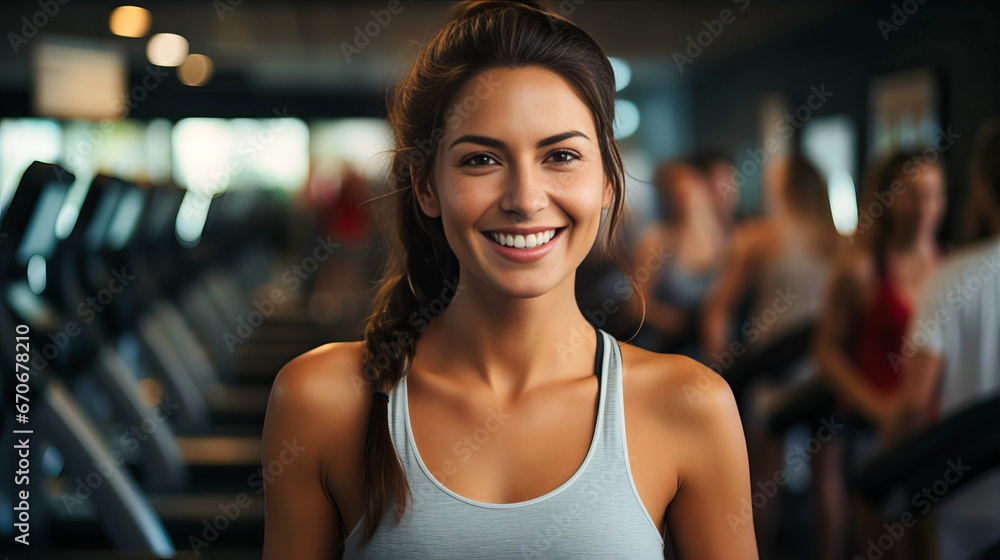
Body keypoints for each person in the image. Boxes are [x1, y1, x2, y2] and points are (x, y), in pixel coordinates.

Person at [261, 2, 758, 559]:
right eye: (481, 160)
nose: (525, 199)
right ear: (426, 186)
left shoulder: (691, 406)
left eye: (561, 155)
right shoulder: (321, 400)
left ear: (607, 182)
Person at [700, 153, 843, 560]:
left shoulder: (757, 236)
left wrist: (722, 366)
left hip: (774, 373)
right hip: (823, 374)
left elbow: (718, 308)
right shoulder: (839, 239)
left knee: (763, 480)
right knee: (827, 479)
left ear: (787, 187)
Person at [813, 150, 946, 559]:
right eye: (911, 194)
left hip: (937, 431)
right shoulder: (860, 270)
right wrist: (880, 408)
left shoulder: (953, 266)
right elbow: (826, 351)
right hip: (874, 431)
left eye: (933, 194)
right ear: (887, 198)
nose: (924, 206)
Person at [890, 119, 1000, 560]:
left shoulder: (951, 277)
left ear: (980, 188)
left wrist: (891, 474)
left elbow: (914, 405)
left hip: (965, 494)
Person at [630, 159, 726, 360]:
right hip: (668, 349)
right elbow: (635, 306)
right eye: (675, 192)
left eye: (689, 186)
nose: (683, 194)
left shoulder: (724, 239)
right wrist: (671, 321)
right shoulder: (656, 241)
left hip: (712, 348)